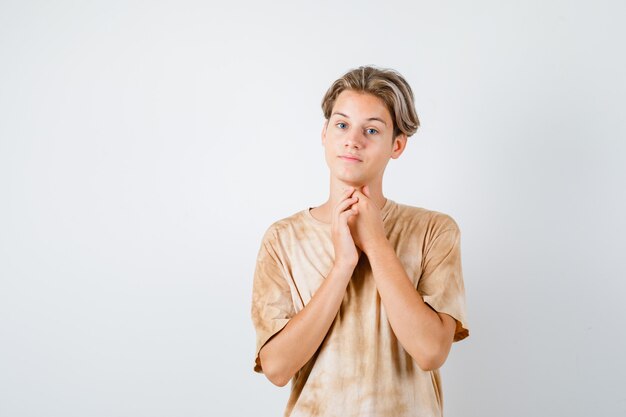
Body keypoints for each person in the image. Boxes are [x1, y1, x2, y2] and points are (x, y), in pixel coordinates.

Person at [251, 65, 469, 417]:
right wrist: (343, 266)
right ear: (324, 134)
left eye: (371, 129)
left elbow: (430, 352)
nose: (353, 139)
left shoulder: (433, 231)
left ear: (396, 145)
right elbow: (276, 368)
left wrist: (377, 243)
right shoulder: (283, 239)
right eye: (342, 125)